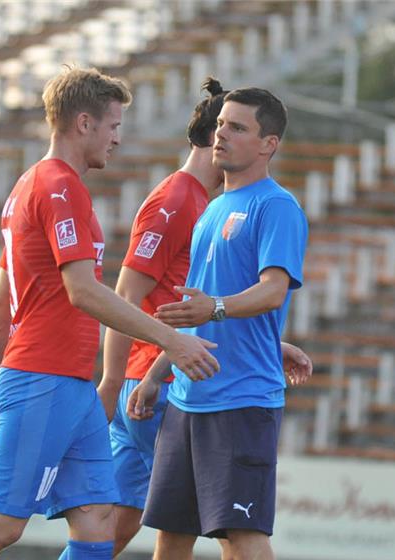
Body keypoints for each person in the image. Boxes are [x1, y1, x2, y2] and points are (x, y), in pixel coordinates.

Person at [0, 67, 219, 560]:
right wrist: (171, 339)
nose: (117, 139)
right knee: (0, 525)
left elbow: (2, 301)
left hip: (68, 383)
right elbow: (83, 291)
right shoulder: (60, 188)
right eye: (113, 126)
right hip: (45, 375)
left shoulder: (30, 185)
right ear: (83, 123)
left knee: (97, 521)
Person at [98, 78, 312, 558]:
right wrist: (156, 374)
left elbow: (273, 291)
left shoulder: (276, 206)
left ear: (268, 144)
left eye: (237, 128)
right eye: (220, 125)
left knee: (241, 536)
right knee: (171, 537)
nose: (221, 135)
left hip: (240, 399)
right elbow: (190, 308)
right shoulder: (213, 209)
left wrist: (215, 308)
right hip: (186, 399)